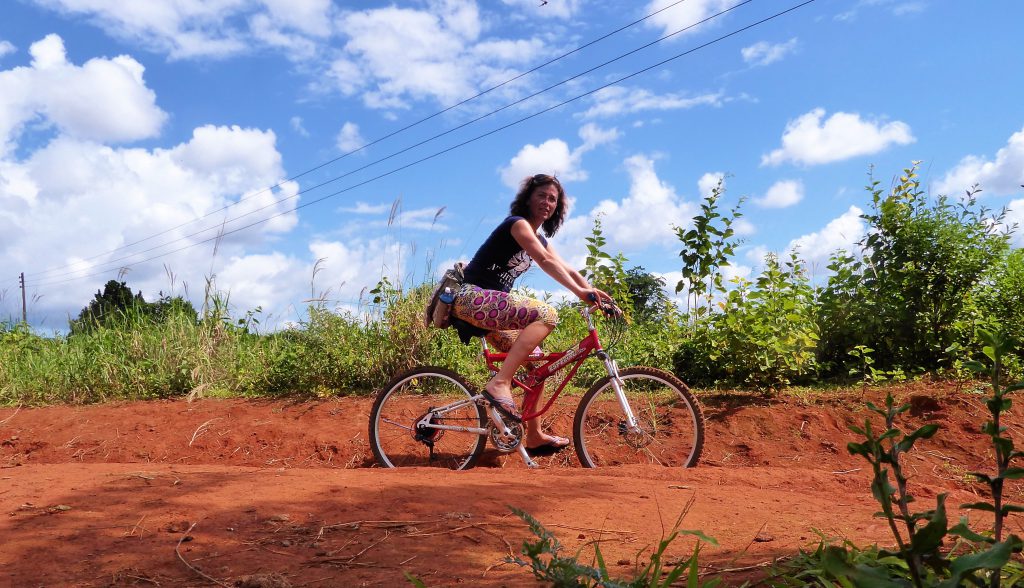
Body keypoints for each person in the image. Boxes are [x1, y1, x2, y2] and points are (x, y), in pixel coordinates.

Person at [450, 173, 612, 455]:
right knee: (547, 314)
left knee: (537, 366)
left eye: (553, 199)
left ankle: (534, 436)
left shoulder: (540, 237)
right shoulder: (518, 225)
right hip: (471, 298)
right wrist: (579, 293)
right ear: (527, 198)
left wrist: (593, 292)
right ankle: (499, 383)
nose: (547, 202)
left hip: (491, 307)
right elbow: (545, 260)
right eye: (541, 196)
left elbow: (568, 268)